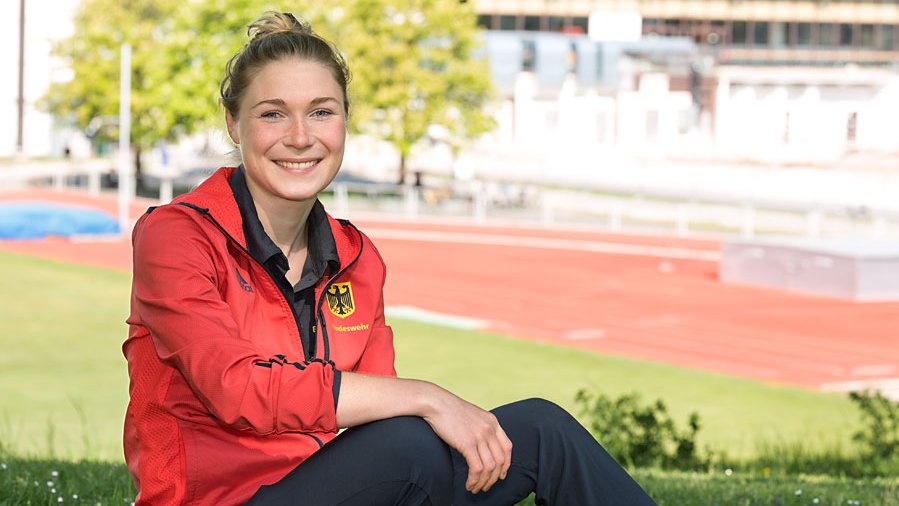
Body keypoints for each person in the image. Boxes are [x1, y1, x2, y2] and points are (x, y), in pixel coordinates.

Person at [123, 11, 657, 506]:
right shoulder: (176, 236)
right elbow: (238, 389)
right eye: (272, 114)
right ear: (235, 125)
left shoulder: (356, 258)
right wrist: (428, 398)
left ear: (344, 123)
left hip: (328, 486)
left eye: (321, 112)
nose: (301, 137)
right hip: (219, 500)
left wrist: (422, 413)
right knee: (409, 439)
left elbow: (375, 419)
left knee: (542, 430)